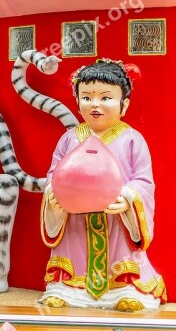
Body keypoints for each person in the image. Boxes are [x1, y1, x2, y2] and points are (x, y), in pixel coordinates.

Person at [40, 58, 166, 311]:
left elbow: (143, 180)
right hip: (76, 219)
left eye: (105, 97)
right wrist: (54, 194)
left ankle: (125, 289)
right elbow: (53, 174)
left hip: (116, 219)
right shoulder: (69, 138)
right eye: (86, 97)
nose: (95, 104)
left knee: (123, 262)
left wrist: (128, 198)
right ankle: (68, 289)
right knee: (71, 261)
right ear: (77, 102)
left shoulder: (132, 139)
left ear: (124, 104)